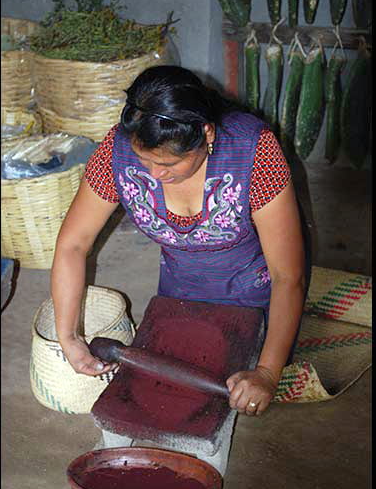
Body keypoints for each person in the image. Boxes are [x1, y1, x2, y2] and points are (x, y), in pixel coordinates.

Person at [50, 65, 306, 417]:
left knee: (229, 399)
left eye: (170, 163)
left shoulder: (254, 153)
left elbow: (288, 276)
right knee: (160, 400)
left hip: (254, 300)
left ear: (207, 134)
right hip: (175, 296)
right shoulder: (118, 149)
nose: (155, 174)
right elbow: (73, 245)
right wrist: (69, 338)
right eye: (145, 160)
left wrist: (267, 371)